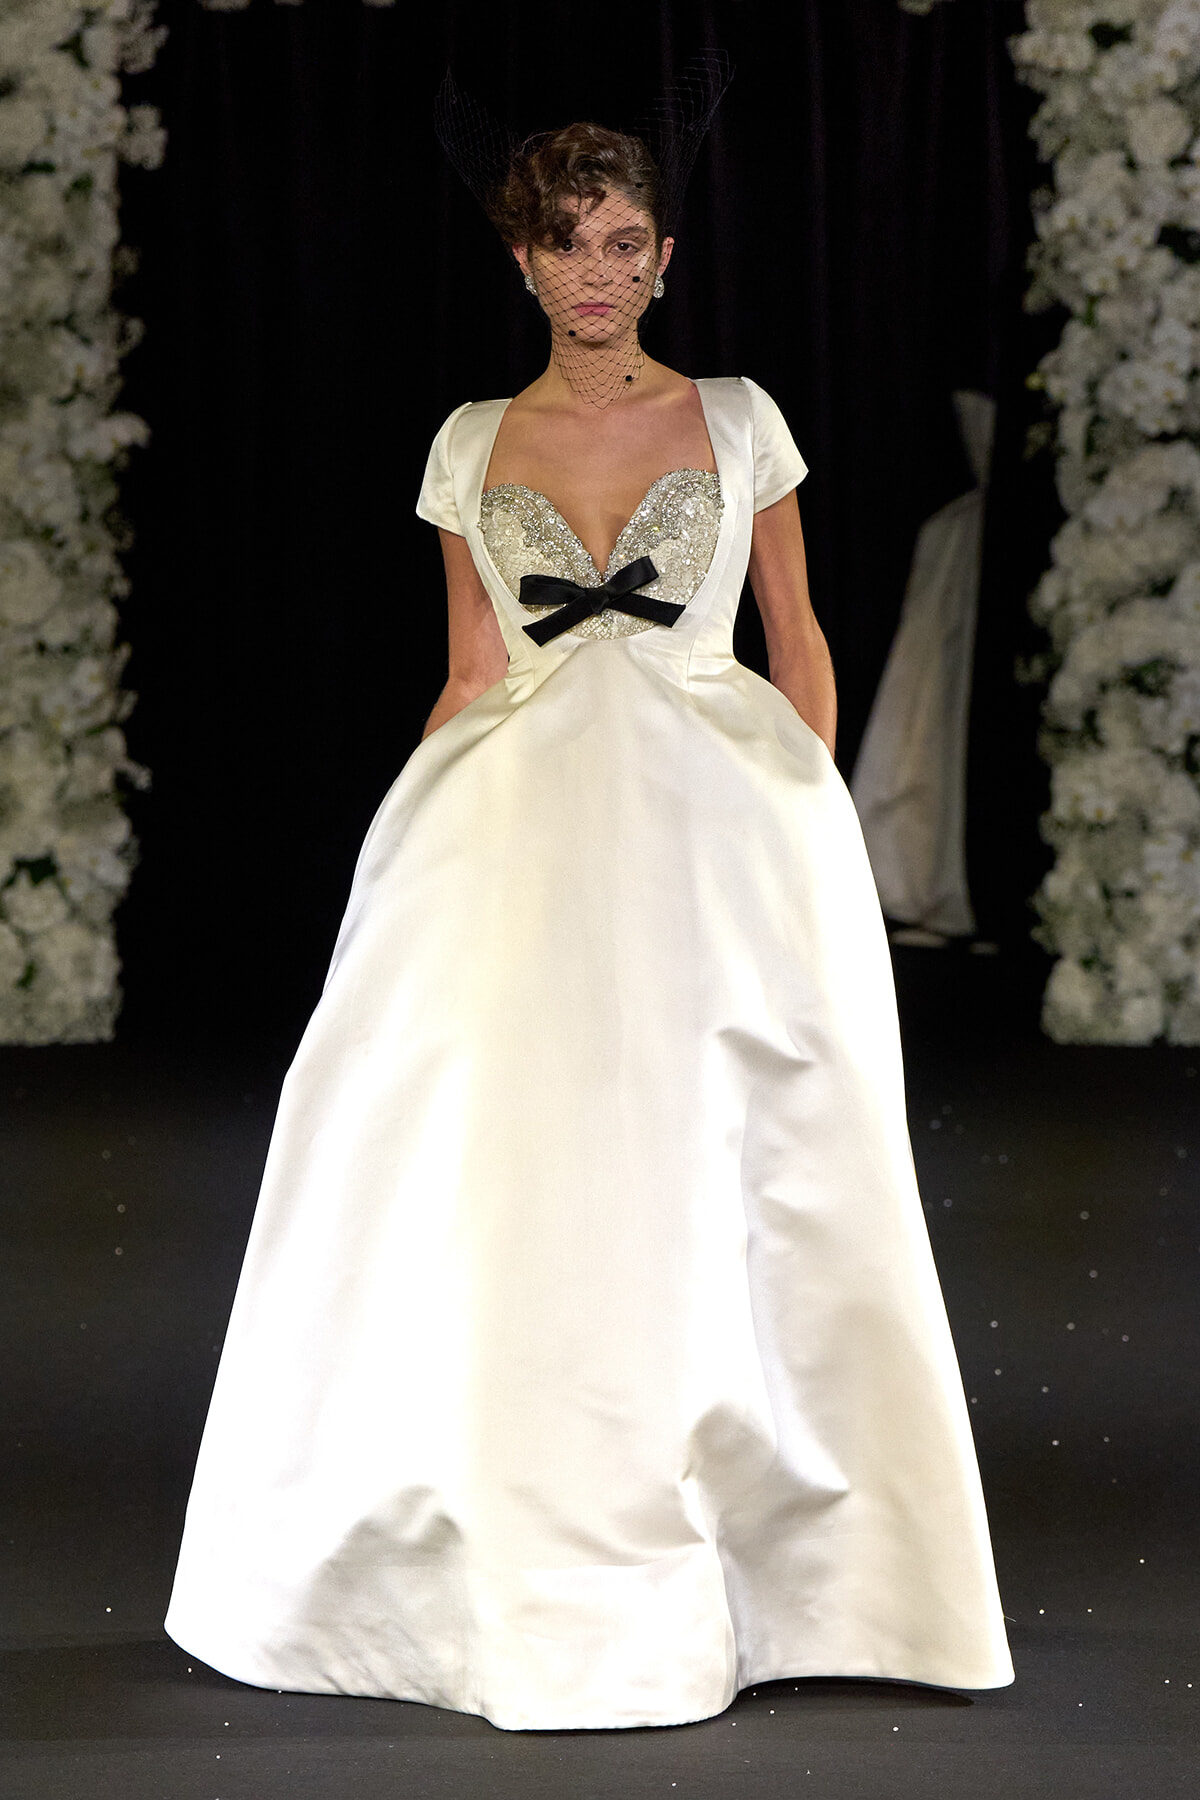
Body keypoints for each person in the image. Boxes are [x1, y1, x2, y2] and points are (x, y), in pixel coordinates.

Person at [165, 120, 1013, 1732]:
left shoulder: (740, 418)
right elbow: (475, 668)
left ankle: (791, 1559)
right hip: (523, 822)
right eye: (569, 244)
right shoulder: (473, 440)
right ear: (523, 260)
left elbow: (797, 634)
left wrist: (811, 816)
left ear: (667, 257)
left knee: (742, 1149)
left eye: (627, 244)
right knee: (515, 1154)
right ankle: (497, 1530)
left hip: (714, 815)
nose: (601, 273)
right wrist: (400, 860)